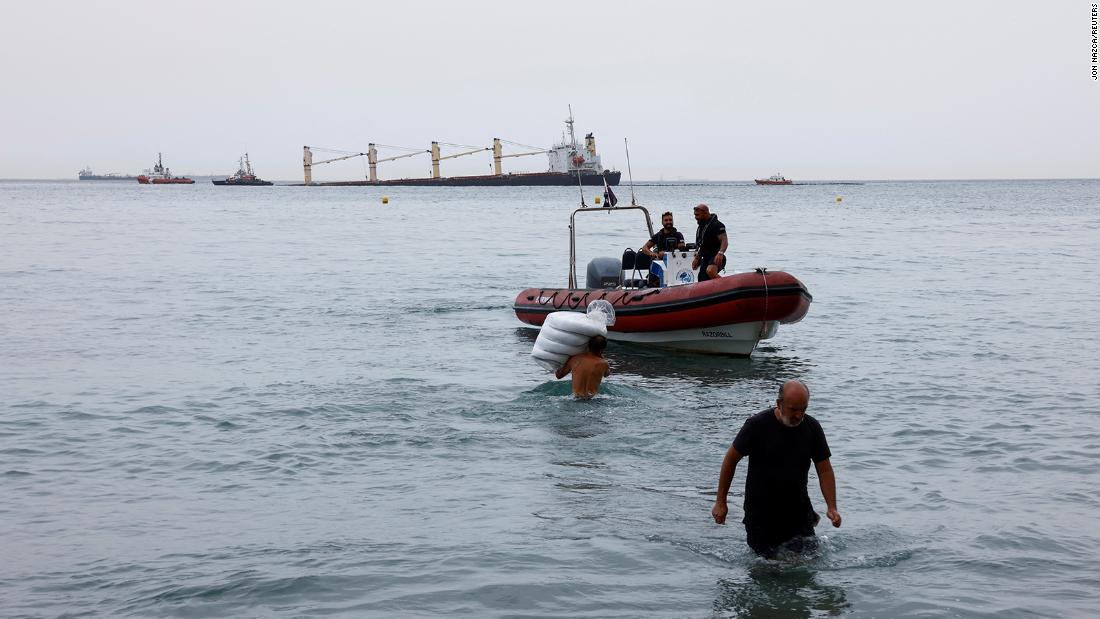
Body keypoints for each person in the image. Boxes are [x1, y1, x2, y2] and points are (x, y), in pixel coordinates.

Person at [710, 380, 842, 557]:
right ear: (779, 404)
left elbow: (824, 469)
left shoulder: (812, 428)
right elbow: (730, 460)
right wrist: (721, 502)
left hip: (799, 512)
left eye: (803, 409)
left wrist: (832, 507)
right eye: (793, 409)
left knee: (806, 568)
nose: (799, 415)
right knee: (768, 570)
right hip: (761, 514)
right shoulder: (756, 425)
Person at [691, 204, 728, 282]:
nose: (695, 217)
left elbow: (724, 240)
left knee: (710, 271)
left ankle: (728, 285)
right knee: (702, 279)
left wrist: (720, 253)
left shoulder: (717, 225)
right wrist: (697, 258)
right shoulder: (701, 227)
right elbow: (702, 245)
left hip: (716, 256)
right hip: (705, 257)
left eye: (697, 215)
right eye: (695, 215)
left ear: (705, 213)